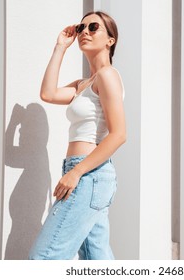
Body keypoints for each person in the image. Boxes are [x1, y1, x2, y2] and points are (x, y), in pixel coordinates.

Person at [29, 11, 126, 260]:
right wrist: (60, 47)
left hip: (87, 175)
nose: (85, 32)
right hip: (85, 174)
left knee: (43, 259)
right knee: (97, 261)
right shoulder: (83, 83)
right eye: (82, 27)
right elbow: (48, 94)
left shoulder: (108, 76)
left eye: (93, 27)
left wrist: (76, 172)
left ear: (110, 40)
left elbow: (118, 135)